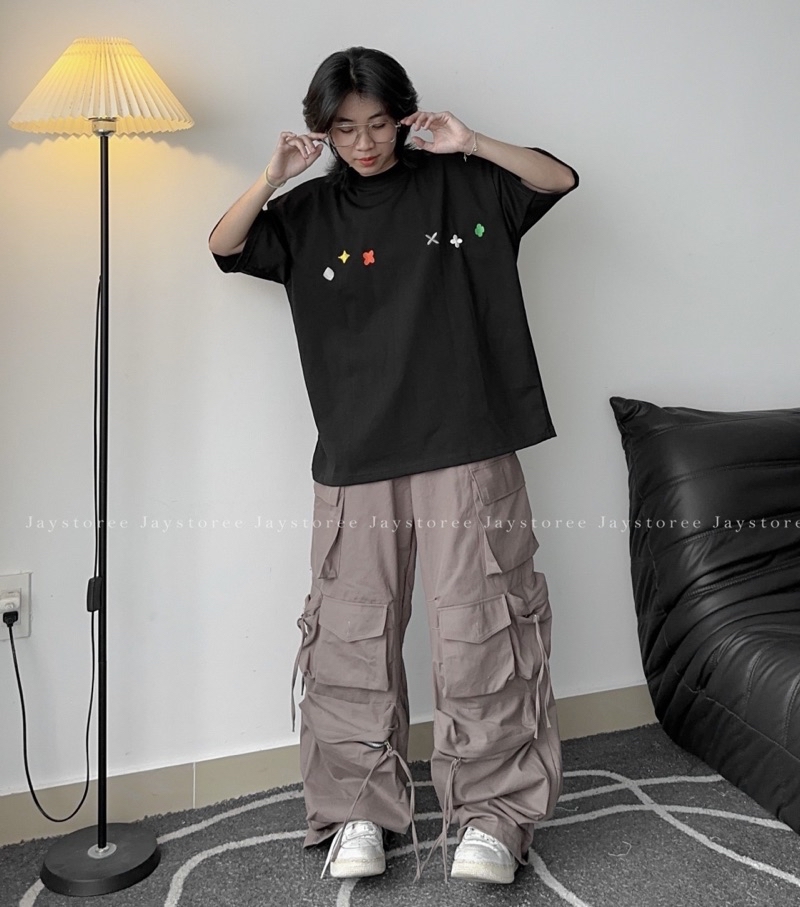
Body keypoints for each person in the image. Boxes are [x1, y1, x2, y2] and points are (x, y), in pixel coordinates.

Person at [209, 46, 578, 886]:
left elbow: (557, 179)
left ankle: (493, 814)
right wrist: (272, 175)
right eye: (345, 129)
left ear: (404, 117)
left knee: (482, 628)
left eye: (378, 124)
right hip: (358, 455)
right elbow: (224, 244)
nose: (365, 143)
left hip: (468, 443)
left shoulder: (465, 184)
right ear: (322, 130)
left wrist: (471, 141)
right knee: (351, 636)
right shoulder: (307, 213)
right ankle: (358, 810)